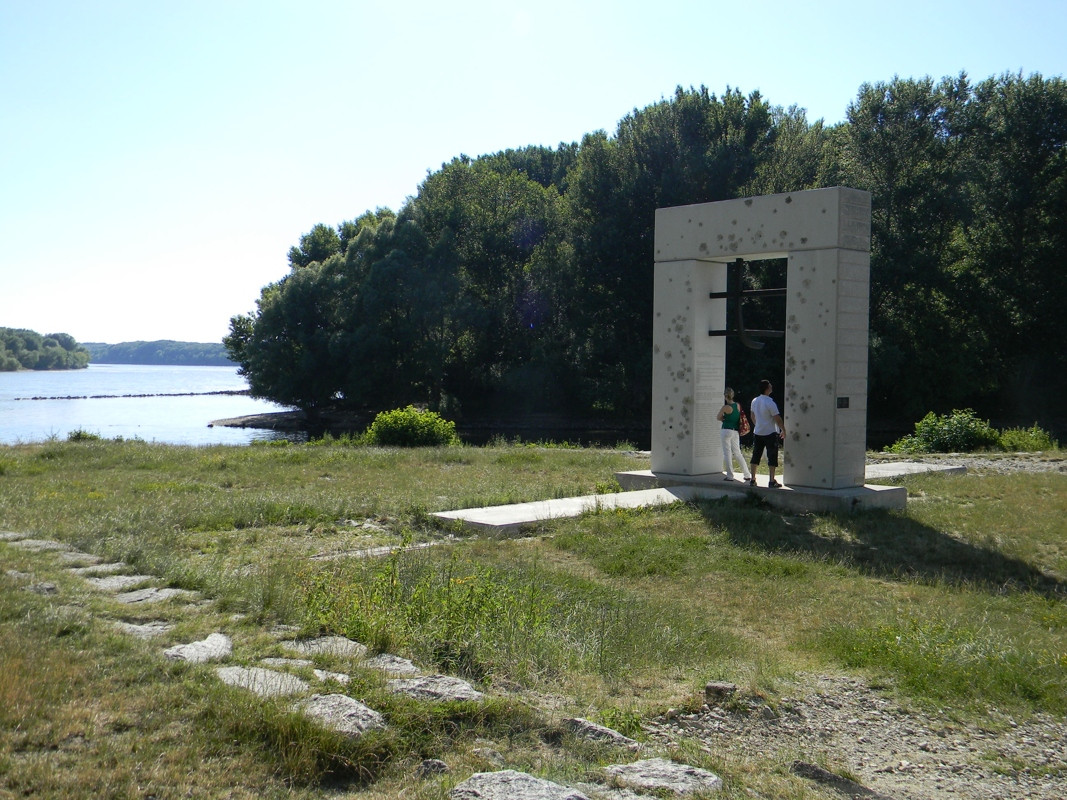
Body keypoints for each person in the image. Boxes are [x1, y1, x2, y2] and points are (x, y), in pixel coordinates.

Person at [749, 379, 786, 488]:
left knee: (756, 455)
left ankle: (752, 479)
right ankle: (771, 480)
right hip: (770, 432)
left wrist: (757, 425)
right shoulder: (770, 402)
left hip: (758, 432)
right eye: (770, 385)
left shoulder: (754, 400)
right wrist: (783, 429)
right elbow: (777, 418)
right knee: (772, 456)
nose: (771, 387)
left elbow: (752, 415)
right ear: (767, 389)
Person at [716, 387, 751, 482]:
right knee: (738, 453)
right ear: (733, 395)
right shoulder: (738, 405)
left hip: (726, 430)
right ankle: (747, 474)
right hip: (735, 431)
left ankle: (730, 475)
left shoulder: (725, 407)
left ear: (725, 396)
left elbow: (718, 417)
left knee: (727, 453)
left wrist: (724, 418)